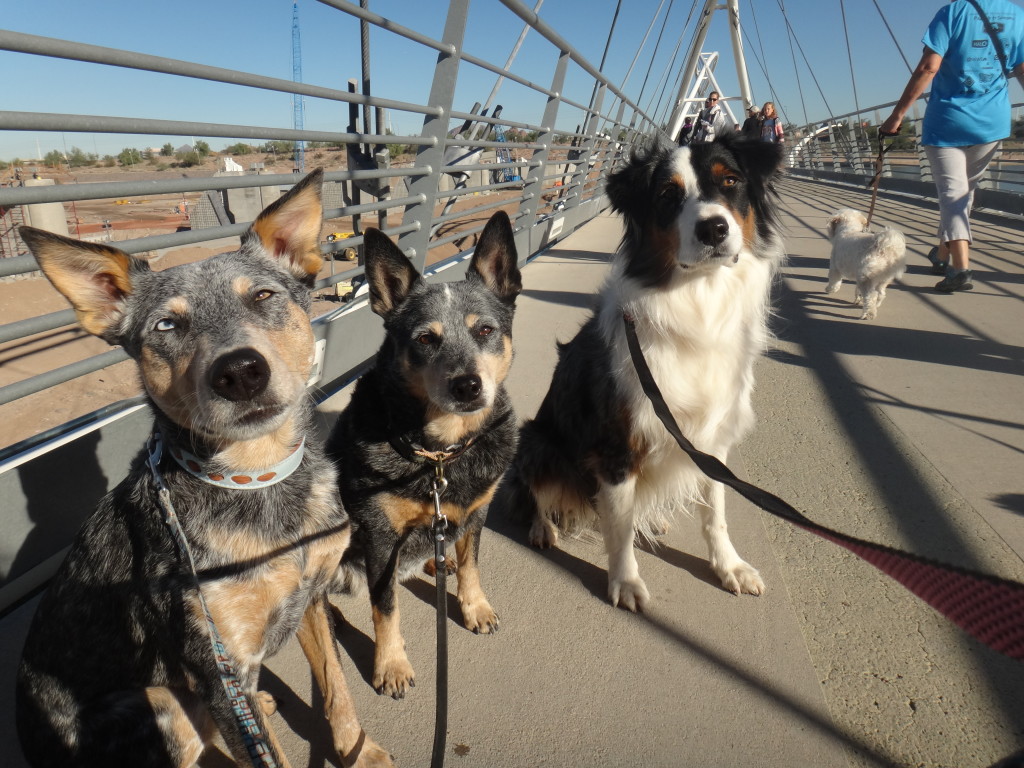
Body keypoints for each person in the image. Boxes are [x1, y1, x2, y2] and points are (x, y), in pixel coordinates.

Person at [880, 0, 1024, 293]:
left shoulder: (952, 12)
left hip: (948, 121)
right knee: (963, 194)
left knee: (952, 195)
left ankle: (960, 268)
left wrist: (897, 115)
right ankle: (942, 253)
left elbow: (928, 67)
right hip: (992, 123)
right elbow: (1022, 69)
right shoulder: (1017, 15)